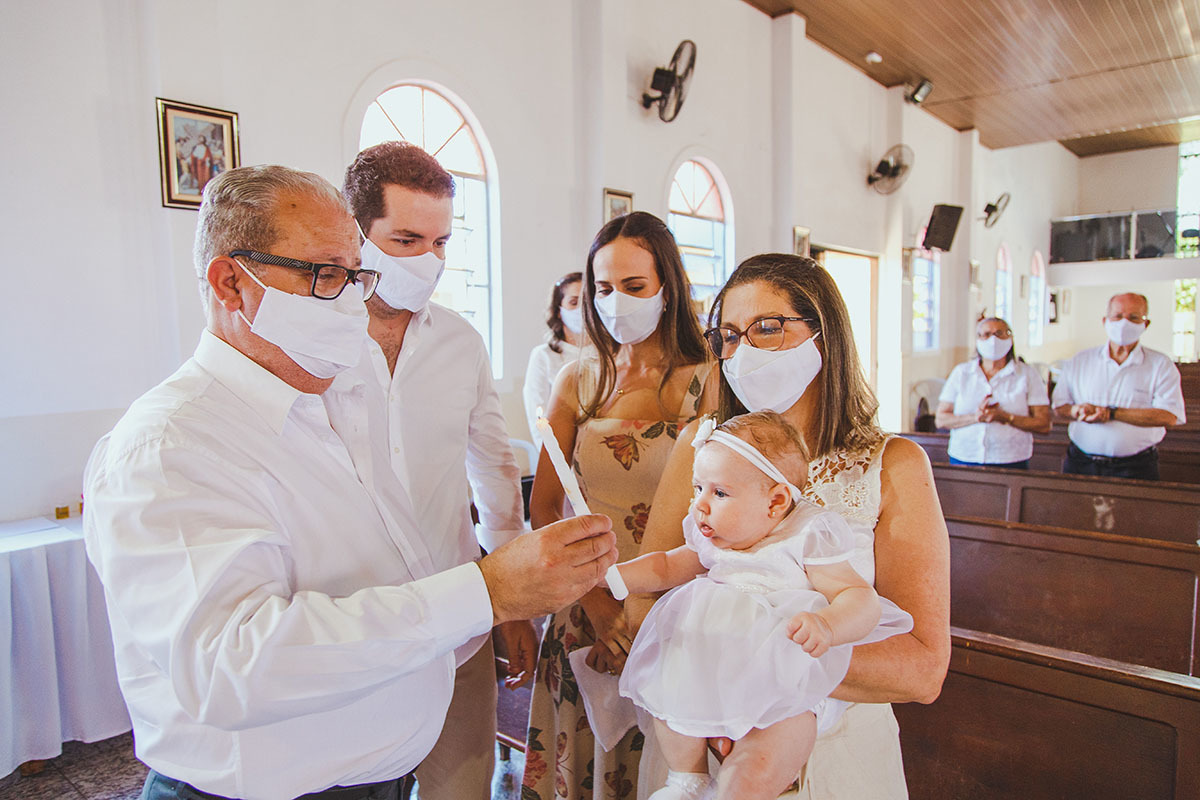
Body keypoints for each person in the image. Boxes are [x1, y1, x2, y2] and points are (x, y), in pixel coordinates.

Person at [82, 164, 617, 800]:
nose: (350, 303)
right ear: (231, 283)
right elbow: (233, 664)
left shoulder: (328, 402)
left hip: (377, 772)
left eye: (355, 276)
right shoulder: (171, 444)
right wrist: (487, 592)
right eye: (325, 276)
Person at [632, 254, 950, 799]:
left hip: (836, 755)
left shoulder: (892, 465)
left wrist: (766, 668)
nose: (744, 351)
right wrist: (699, 683)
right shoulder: (701, 446)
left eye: (768, 328)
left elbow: (923, 668)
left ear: (824, 336)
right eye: (729, 336)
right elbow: (648, 596)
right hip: (703, 736)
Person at [341, 141, 537, 800]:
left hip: (458, 620)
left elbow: (494, 469)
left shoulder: (460, 342)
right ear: (356, 233)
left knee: (462, 789)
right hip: (353, 629)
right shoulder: (314, 343)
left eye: (441, 242)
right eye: (405, 240)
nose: (427, 260)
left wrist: (511, 600)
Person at [607, 412, 911, 800]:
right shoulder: (713, 539)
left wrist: (829, 625)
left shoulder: (805, 534)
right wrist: (610, 575)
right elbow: (663, 566)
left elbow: (858, 596)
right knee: (670, 699)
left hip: (782, 679)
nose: (700, 505)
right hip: (708, 673)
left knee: (760, 762)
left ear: (776, 501)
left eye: (719, 493)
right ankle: (687, 779)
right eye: (698, 488)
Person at [522, 212, 715, 800]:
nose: (616, 302)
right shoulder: (578, 381)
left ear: (667, 288)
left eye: (634, 286)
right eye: (603, 288)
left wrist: (639, 607)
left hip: (677, 606)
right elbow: (546, 507)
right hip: (588, 605)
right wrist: (599, 604)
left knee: (666, 770)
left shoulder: (707, 382)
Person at [1052, 292, 1186, 480]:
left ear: (1145, 324)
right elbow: (1060, 406)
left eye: (1133, 317)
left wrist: (1112, 413)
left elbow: (1169, 416)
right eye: (1118, 316)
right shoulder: (1080, 361)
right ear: (1105, 321)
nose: (1124, 323)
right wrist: (1077, 410)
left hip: (1136, 466)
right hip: (1081, 462)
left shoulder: (1160, 365)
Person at [934, 316, 1051, 469]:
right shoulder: (962, 373)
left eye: (999, 333)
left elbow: (1043, 424)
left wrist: (1005, 417)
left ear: (1010, 338)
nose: (993, 340)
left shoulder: (1027, 374)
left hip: (1010, 459)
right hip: (965, 456)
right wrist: (975, 417)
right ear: (978, 339)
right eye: (987, 334)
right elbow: (941, 419)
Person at [524, 271, 584, 450]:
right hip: (561, 449)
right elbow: (537, 416)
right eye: (574, 302)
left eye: (588, 302)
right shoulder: (544, 356)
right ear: (558, 310)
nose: (582, 309)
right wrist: (554, 458)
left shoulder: (611, 353)